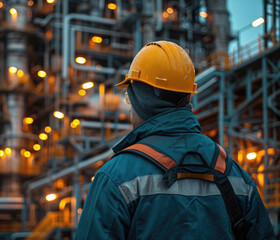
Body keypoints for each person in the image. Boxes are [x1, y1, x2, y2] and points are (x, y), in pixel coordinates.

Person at [75, 41, 275, 239]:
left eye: (130, 98)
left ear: (142, 101)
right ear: (188, 97)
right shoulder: (234, 174)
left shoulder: (116, 176)